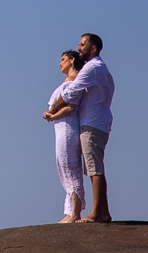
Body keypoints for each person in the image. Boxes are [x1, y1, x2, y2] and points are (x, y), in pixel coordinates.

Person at [48, 33, 115, 223]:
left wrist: (52, 110)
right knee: (93, 168)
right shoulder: (101, 69)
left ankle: (96, 213)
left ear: (93, 48)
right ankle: (103, 212)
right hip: (98, 122)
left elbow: (70, 92)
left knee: (94, 169)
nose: (79, 48)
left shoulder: (92, 68)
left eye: (82, 45)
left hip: (92, 123)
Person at [42, 50, 86, 222]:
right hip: (61, 128)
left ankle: (75, 212)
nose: (60, 63)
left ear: (72, 60)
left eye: (63, 59)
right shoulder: (68, 81)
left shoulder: (73, 81)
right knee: (64, 168)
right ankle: (70, 211)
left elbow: (71, 106)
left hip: (68, 127)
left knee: (70, 167)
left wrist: (52, 116)